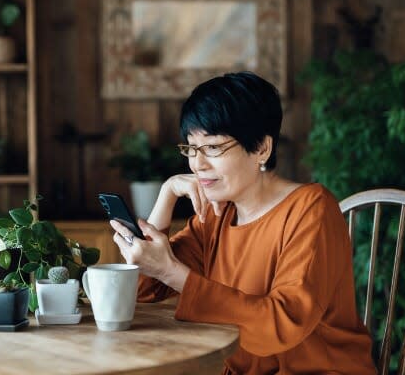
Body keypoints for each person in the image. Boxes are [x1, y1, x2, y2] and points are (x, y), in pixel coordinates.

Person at [109, 72, 376, 374]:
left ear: (262, 148)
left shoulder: (311, 210)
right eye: (191, 147)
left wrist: (171, 271)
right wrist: (167, 193)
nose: (198, 163)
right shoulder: (216, 214)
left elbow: (281, 325)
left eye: (212, 147)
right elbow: (144, 288)